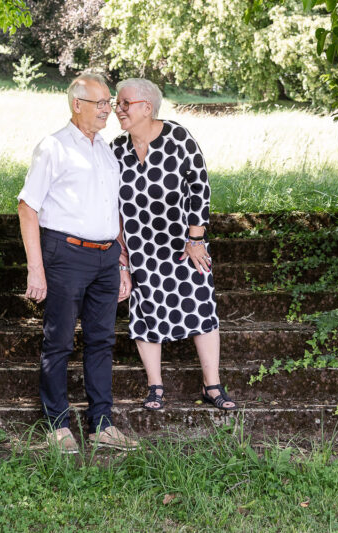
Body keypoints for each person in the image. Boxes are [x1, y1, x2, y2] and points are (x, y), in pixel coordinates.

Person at [17, 73, 137, 453]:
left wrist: (121, 262)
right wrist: (36, 268)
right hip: (65, 254)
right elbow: (27, 207)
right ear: (77, 104)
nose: (107, 110)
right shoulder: (53, 147)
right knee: (59, 342)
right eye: (100, 103)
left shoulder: (105, 150)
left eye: (109, 103)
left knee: (102, 341)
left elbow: (112, 209)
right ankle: (58, 428)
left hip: (106, 257)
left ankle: (102, 425)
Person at [111, 78, 237, 412]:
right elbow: (111, 204)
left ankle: (212, 385)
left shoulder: (178, 137)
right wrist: (122, 255)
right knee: (144, 313)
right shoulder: (116, 148)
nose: (118, 109)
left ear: (146, 107)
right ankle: (155, 386)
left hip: (182, 244)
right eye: (116, 103)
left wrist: (196, 238)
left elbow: (199, 186)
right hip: (139, 248)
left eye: (125, 103)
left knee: (200, 305)